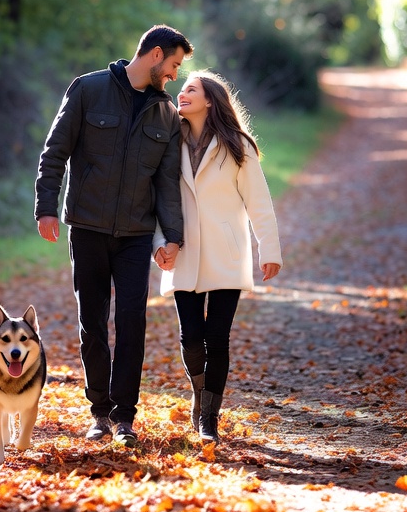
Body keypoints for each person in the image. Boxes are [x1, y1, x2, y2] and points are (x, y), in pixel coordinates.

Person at [35, 24, 194, 447]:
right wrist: (46, 207)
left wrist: (172, 236)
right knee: (92, 323)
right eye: (175, 64)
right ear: (156, 54)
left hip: (136, 235)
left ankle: (125, 418)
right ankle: (99, 413)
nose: (176, 75)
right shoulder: (89, 89)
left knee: (131, 322)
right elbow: (55, 151)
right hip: (86, 226)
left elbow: (167, 182)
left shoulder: (166, 115)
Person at [154, 70, 282, 443]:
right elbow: (158, 200)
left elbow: (259, 203)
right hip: (183, 252)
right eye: (182, 89)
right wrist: (161, 242)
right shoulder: (167, 143)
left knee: (217, 337)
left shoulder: (237, 146)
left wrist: (268, 249)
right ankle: (199, 396)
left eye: (191, 89)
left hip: (227, 254)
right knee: (191, 338)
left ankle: (209, 418)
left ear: (210, 100)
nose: (182, 94)